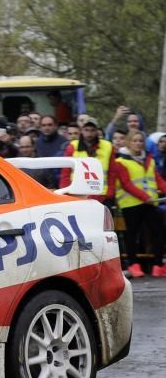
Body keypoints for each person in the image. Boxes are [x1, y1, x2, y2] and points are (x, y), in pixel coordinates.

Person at [111, 130, 166, 277]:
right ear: (128, 142)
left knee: (158, 232)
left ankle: (158, 265)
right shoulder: (120, 161)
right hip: (131, 204)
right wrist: (144, 196)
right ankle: (134, 265)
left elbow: (158, 180)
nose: (138, 143)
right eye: (134, 141)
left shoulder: (149, 159)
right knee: (132, 235)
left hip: (149, 203)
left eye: (140, 141)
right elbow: (126, 183)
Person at [59, 117, 113, 200]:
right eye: (86, 130)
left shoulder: (107, 146)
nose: (89, 133)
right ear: (81, 131)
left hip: (101, 194)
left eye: (92, 130)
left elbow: (112, 171)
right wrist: (65, 191)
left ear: (97, 131)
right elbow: (65, 172)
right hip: (77, 194)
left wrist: (110, 191)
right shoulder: (73, 146)